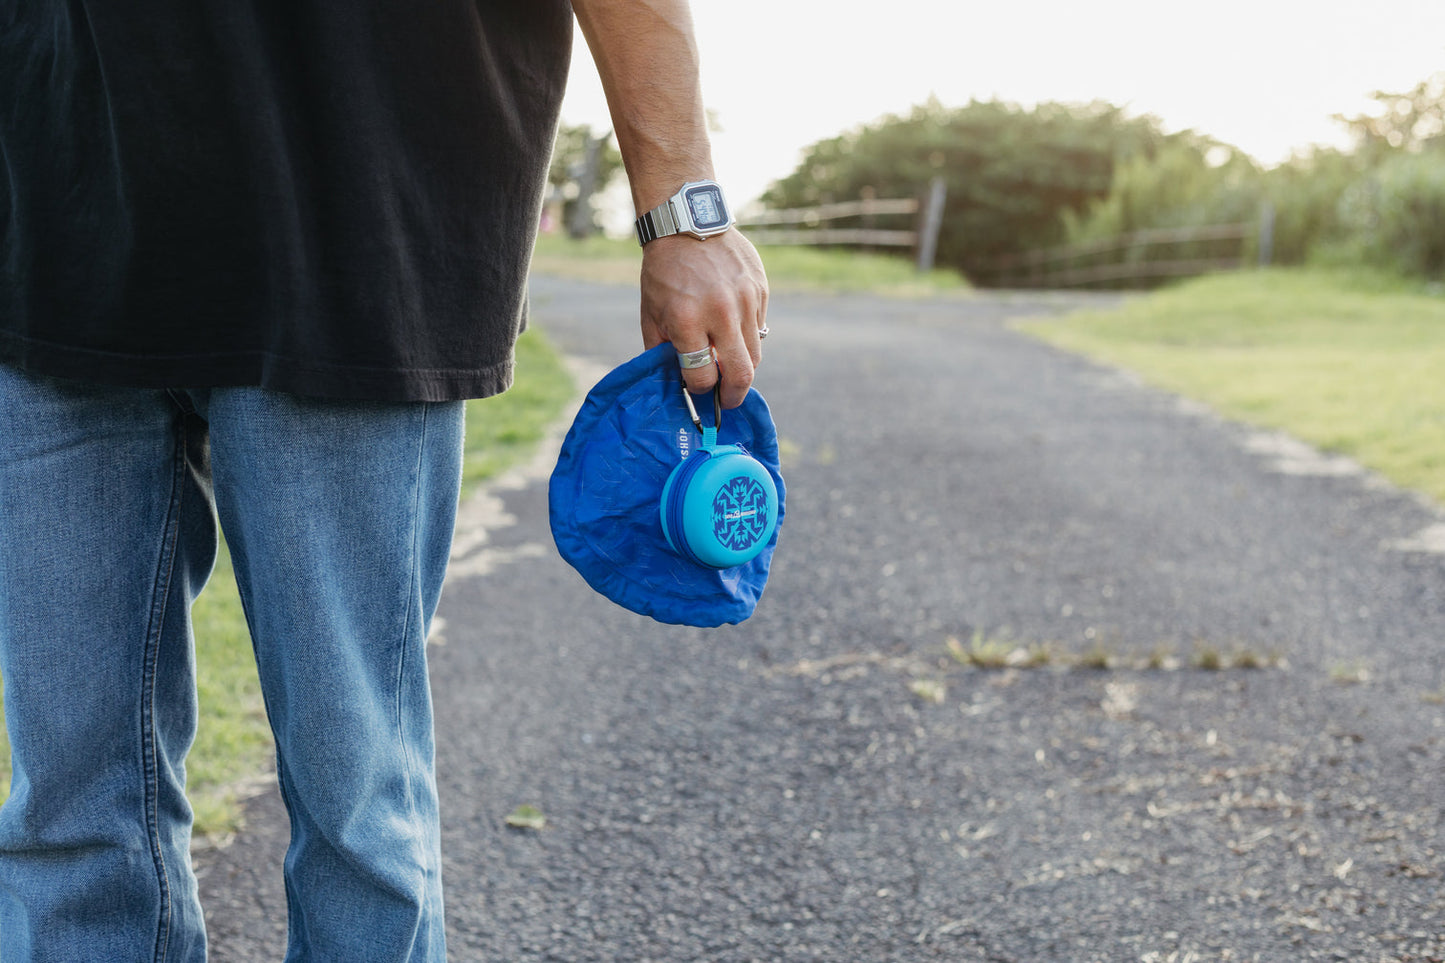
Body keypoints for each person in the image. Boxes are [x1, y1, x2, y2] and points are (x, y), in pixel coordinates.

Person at [0, 0, 767, 959]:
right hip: (51, 206)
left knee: (355, 802)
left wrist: (684, 210)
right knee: (65, 813)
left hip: (361, 221)